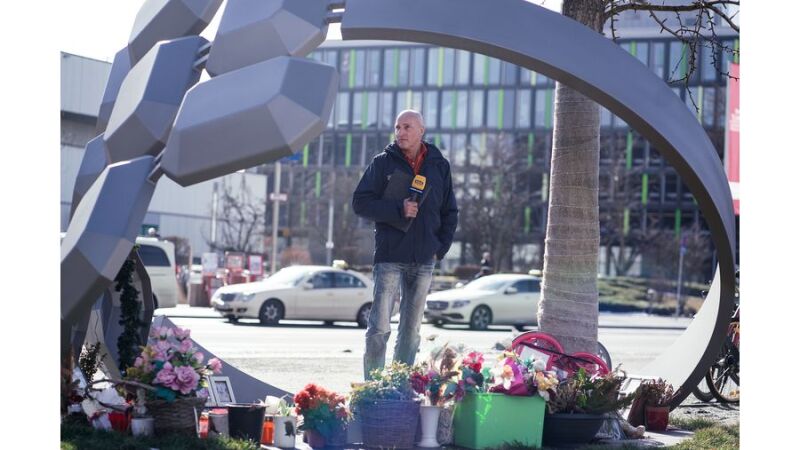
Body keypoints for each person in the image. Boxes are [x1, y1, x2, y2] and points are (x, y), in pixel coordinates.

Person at [352, 109, 459, 379]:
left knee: (411, 332)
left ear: (421, 130)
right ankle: (374, 386)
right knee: (379, 327)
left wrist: (439, 248)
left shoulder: (438, 165)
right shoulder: (382, 163)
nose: (401, 132)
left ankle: (399, 386)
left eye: (407, 127)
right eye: (398, 127)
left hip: (424, 258)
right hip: (390, 256)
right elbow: (360, 203)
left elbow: (450, 211)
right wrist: (397, 209)